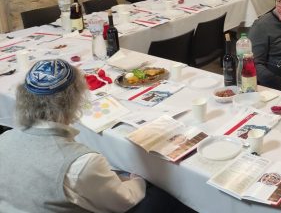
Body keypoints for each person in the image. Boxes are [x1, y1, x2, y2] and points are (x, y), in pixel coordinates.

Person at [0, 59, 190, 213]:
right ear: (75, 99)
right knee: (165, 195)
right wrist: (139, 178)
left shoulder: (4, 139)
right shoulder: (81, 164)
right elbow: (125, 200)